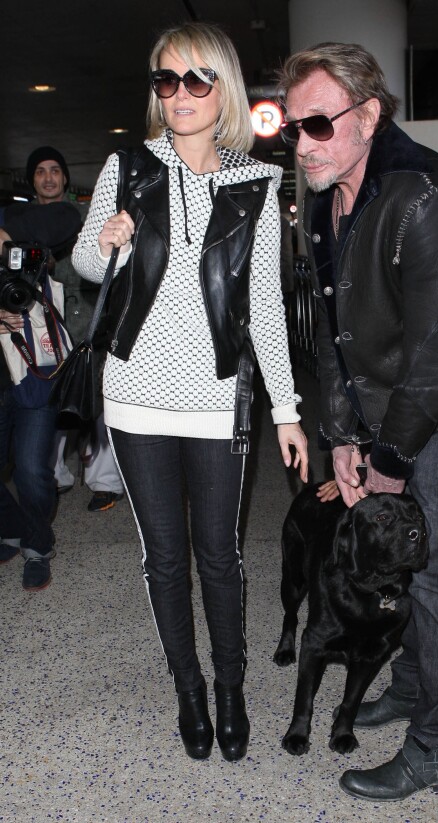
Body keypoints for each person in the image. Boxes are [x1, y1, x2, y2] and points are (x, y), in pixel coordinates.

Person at [72, 22, 308, 763]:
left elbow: (264, 303)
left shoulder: (256, 182)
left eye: (196, 80)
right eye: (165, 80)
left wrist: (286, 410)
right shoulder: (126, 165)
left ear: (225, 89)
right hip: (135, 391)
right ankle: (189, 689)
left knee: (222, 556)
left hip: (217, 397)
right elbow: (85, 262)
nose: (179, 95)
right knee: (163, 556)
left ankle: (231, 687)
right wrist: (104, 238)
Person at [277, 42, 438, 801]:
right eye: (294, 128)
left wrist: (389, 462)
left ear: (368, 115)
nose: (302, 143)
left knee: (433, 573)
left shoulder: (428, 198)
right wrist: (343, 435)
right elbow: (339, 336)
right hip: (388, 401)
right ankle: (410, 683)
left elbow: (436, 362)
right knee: (405, 568)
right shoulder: (325, 195)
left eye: (318, 124)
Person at [23, 146, 124, 512]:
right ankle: (54, 476)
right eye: (40, 172)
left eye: (54, 170)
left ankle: (105, 481)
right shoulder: (21, 225)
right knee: (48, 407)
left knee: (96, 408)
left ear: (65, 178)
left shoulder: (85, 219)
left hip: (88, 327)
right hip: (41, 332)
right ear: (32, 179)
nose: (48, 177)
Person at [0, 203, 80, 590]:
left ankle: (36, 545)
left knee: (31, 471)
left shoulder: (16, 230)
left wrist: (8, 238)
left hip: (33, 373)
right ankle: (14, 526)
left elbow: (68, 218)